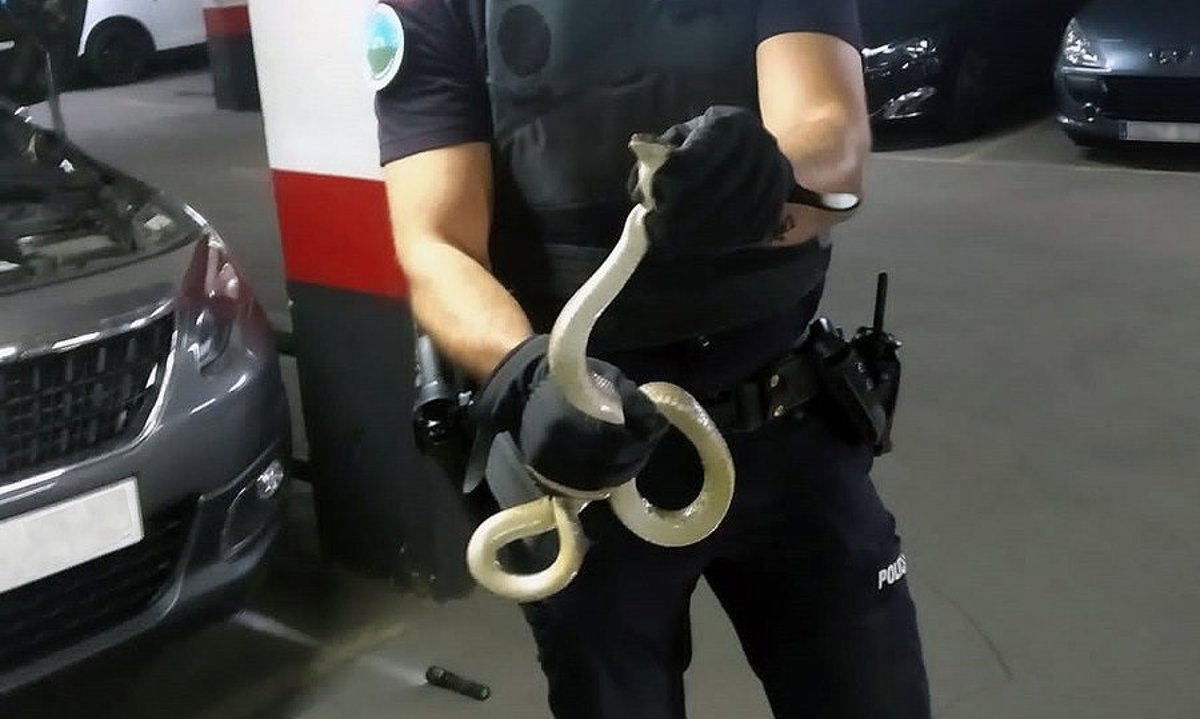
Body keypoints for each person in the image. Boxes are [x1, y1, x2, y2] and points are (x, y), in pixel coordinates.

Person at [374, 0, 932, 717]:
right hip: (588, 462)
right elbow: (435, 244)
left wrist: (766, 177)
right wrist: (525, 374)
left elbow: (834, 141)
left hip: (790, 428)